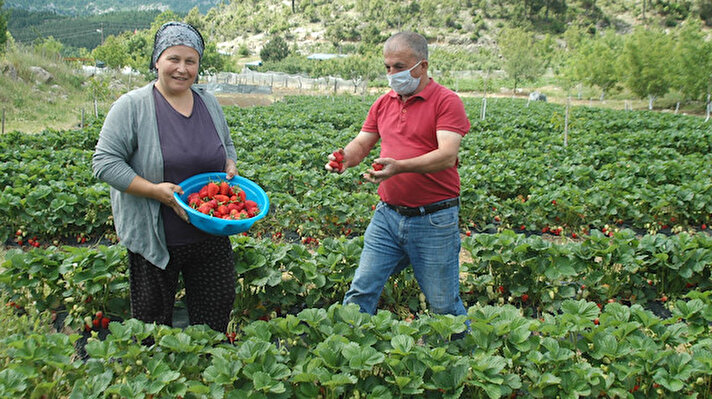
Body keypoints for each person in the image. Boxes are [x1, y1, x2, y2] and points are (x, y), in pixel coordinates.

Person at [92, 21, 237, 333]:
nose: (182, 69)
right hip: (156, 240)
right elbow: (104, 162)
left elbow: (226, 144)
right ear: (157, 60)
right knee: (152, 327)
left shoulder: (208, 102)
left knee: (214, 323)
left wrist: (229, 165)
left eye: (190, 61)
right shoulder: (132, 106)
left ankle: (204, 375)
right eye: (173, 59)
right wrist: (155, 191)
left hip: (210, 234)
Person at [325, 32, 471, 318]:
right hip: (387, 217)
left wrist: (400, 166)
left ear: (423, 66)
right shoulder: (383, 103)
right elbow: (362, 143)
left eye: (399, 67)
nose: (392, 74)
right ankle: (347, 353)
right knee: (361, 290)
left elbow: (447, 155)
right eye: (388, 67)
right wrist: (344, 159)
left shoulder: (446, 101)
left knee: (443, 304)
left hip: (434, 219)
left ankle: (456, 357)